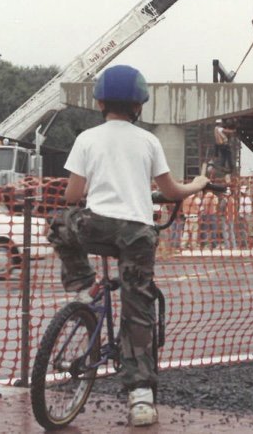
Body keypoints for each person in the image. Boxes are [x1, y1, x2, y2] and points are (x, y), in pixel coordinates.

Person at [47, 65, 210, 427]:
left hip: (96, 227)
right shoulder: (149, 141)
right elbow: (170, 193)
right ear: (139, 106)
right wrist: (197, 184)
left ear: (100, 101)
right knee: (137, 311)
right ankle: (140, 399)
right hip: (135, 234)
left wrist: (101, 190)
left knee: (61, 224)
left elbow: (73, 195)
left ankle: (83, 282)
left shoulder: (87, 138)